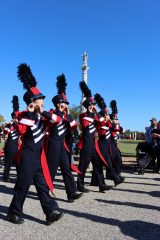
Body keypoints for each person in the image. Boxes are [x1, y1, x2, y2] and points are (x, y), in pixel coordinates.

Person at [7, 63, 63, 225]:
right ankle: (13, 212)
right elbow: (22, 127)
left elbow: (57, 120)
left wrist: (41, 112)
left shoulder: (43, 116)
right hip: (27, 155)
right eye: (40, 99)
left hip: (38, 157)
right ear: (32, 101)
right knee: (23, 185)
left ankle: (50, 211)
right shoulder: (25, 115)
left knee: (42, 185)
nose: (43, 101)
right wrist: (31, 111)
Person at [46, 74, 83, 202]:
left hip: (63, 146)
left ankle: (71, 192)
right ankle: (45, 192)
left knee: (67, 169)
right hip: (53, 145)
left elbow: (73, 127)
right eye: (64, 102)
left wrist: (68, 115)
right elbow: (53, 120)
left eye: (67, 103)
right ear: (57, 104)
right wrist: (61, 113)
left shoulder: (65, 115)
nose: (66, 104)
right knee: (51, 170)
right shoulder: (52, 113)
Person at [77, 82, 112, 193]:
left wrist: (98, 115)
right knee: (83, 166)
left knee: (97, 165)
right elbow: (87, 125)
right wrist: (94, 114)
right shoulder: (83, 116)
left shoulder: (95, 116)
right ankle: (80, 184)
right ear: (88, 106)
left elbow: (101, 124)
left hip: (93, 145)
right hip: (86, 145)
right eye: (92, 105)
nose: (94, 106)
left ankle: (101, 184)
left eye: (94, 105)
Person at [90, 94, 124, 186]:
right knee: (105, 164)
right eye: (106, 114)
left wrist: (112, 121)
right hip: (101, 146)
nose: (108, 116)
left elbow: (115, 127)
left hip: (106, 146)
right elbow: (99, 122)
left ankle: (97, 181)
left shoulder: (107, 123)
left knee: (101, 165)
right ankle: (116, 179)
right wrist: (101, 115)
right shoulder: (100, 121)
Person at [3, 96, 21, 182]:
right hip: (10, 147)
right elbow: (5, 132)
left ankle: (19, 178)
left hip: (17, 147)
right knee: (8, 163)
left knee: (18, 163)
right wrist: (10, 125)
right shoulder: (9, 125)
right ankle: (5, 177)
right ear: (13, 117)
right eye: (16, 117)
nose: (17, 119)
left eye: (18, 117)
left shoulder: (19, 125)